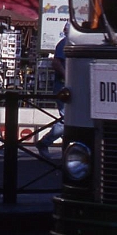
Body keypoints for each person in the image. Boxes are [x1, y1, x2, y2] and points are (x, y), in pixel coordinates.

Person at [36, 24, 68, 159]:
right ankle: (45, 142)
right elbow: (56, 63)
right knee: (67, 119)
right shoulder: (64, 43)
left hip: (65, 85)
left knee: (68, 119)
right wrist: (67, 76)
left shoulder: (65, 42)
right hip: (63, 86)